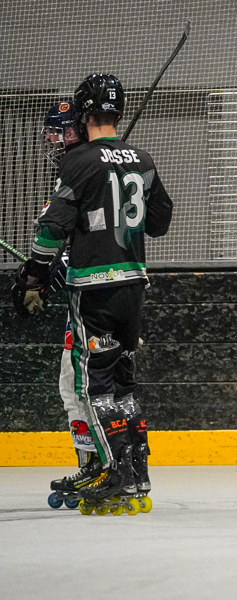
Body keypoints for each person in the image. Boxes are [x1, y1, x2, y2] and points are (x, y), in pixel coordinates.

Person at [15, 73, 173, 513]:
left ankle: (116, 472)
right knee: (122, 382)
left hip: (95, 289)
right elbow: (159, 222)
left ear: (83, 113)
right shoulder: (141, 157)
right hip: (134, 284)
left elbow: (51, 229)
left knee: (93, 384)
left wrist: (33, 275)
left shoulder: (78, 161)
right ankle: (137, 473)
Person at [34, 100, 105, 508]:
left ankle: (101, 466)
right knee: (75, 384)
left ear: (78, 130)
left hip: (98, 296)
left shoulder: (84, 169)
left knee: (85, 385)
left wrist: (57, 262)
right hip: (103, 293)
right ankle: (97, 464)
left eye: (58, 131)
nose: (51, 138)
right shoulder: (85, 170)